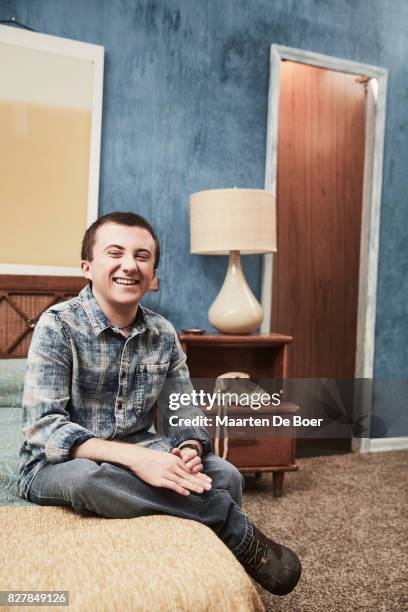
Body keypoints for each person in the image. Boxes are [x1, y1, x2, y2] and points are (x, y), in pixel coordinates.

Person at [18, 212, 301, 596]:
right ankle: (230, 527)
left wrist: (187, 447)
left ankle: (213, 578)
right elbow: (44, 426)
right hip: (58, 462)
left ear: (152, 275)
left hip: (143, 444)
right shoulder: (57, 325)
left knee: (227, 475)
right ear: (87, 266)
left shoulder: (163, 333)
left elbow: (182, 408)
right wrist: (136, 460)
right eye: (115, 253)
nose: (129, 265)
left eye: (142, 256)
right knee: (90, 479)